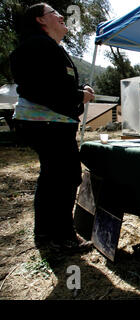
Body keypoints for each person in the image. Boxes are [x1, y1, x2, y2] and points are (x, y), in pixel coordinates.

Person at [10, 3, 94, 250]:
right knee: (62, 178)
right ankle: (59, 237)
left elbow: (55, 87)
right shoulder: (35, 47)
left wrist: (77, 95)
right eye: (53, 13)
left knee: (57, 176)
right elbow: (45, 88)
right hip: (45, 123)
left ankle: (51, 235)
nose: (61, 16)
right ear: (40, 20)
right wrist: (79, 95)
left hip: (52, 122)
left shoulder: (49, 47)